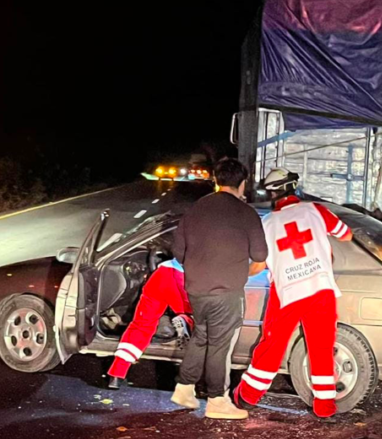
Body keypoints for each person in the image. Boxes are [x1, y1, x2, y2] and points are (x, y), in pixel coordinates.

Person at [233, 168, 353, 418]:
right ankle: (324, 406)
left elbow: (259, 263)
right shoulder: (316, 211)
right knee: (321, 346)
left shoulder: (266, 223)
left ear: (272, 193)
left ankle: (247, 396)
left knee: (273, 344)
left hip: (287, 292)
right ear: (294, 187)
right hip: (320, 288)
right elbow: (346, 234)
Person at [170, 158, 268, 420]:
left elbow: (178, 253)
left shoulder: (195, 210)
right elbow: (260, 254)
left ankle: (184, 388)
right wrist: (238, 271)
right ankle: (217, 400)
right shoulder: (246, 213)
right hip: (227, 292)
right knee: (220, 345)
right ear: (242, 183)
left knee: (201, 336)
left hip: (196, 289)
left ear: (216, 180)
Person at [106, 257, 193, 389]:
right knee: (201, 320)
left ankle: (116, 375)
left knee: (141, 325)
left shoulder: (187, 236)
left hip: (161, 274)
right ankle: (187, 320)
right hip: (183, 278)